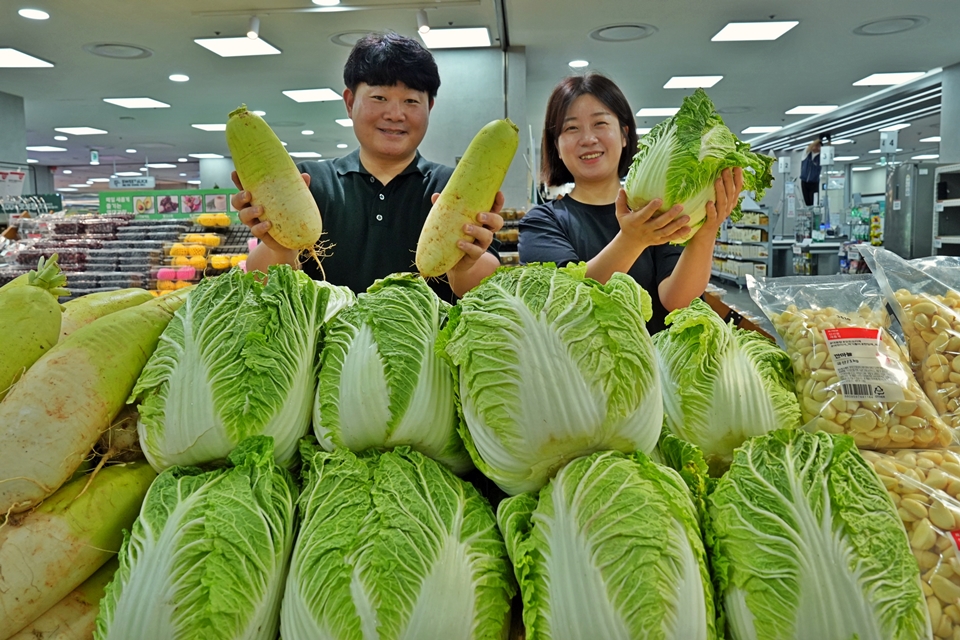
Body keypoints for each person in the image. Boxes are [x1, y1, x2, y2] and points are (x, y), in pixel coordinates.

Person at [231, 32, 503, 301]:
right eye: (379, 98)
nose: (395, 115)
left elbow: (489, 293)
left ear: (429, 107)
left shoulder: (454, 187)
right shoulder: (306, 183)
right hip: (321, 346)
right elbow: (262, 287)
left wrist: (463, 265)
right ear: (350, 103)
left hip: (430, 345)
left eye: (411, 101)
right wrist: (280, 250)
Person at [519, 73, 743, 334]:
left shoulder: (657, 208)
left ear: (624, 135)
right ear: (556, 146)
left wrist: (707, 230)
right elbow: (564, 301)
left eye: (600, 123)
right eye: (571, 128)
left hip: (659, 369)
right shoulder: (541, 222)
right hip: (580, 373)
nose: (588, 139)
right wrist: (632, 240)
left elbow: (677, 301)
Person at [800, 139, 822, 207]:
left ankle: (814, 216)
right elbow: (809, 147)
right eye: (816, 145)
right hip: (804, 181)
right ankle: (808, 216)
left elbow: (829, 150)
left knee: (814, 203)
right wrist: (819, 139)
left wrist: (829, 141)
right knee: (807, 203)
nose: (817, 147)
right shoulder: (806, 153)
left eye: (819, 146)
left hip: (814, 183)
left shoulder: (821, 156)